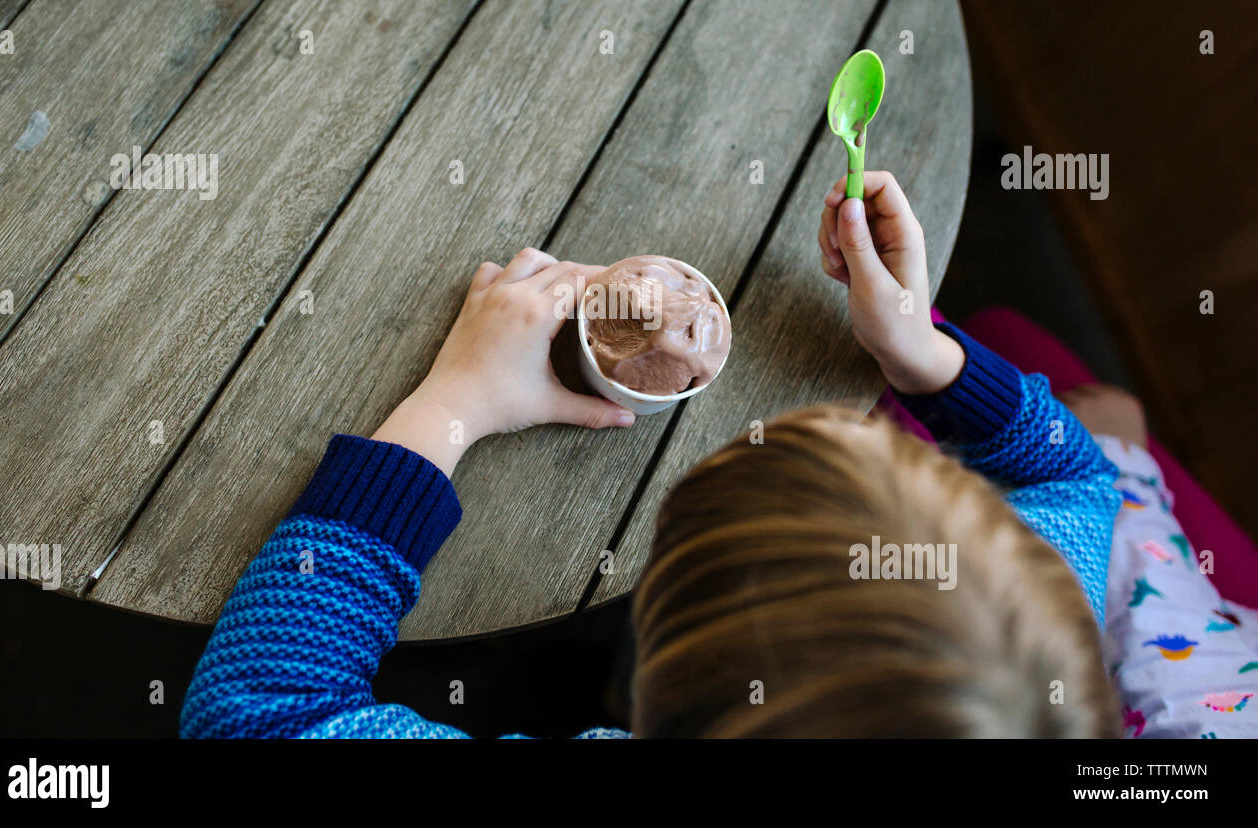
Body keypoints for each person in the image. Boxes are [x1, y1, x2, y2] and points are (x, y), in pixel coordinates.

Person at [179, 171, 1136, 738]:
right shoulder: (1041, 604)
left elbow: (263, 710)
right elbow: (1075, 475)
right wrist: (921, 352)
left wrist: (452, 407)